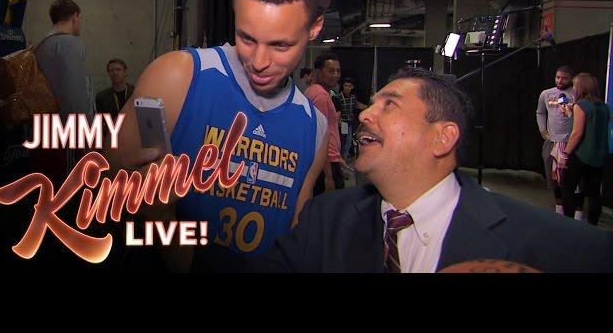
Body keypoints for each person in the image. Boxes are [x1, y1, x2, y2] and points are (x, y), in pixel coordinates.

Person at [250, 68, 613, 273]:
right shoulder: (324, 219)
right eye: (371, 103)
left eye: (389, 104)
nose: (364, 115)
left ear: (442, 138)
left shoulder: (563, 249)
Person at [111, 0, 331, 262]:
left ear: (314, 28)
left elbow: (296, 237)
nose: (258, 61)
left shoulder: (315, 127)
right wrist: (158, 217)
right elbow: (104, 191)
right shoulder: (176, 78)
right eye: (247, 37)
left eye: (280, 45)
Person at [558, 73, 610, 226]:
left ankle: (568, 225)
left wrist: (565, 154)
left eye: (575, 85)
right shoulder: (604, 107)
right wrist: (570, 115)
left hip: (580, 155)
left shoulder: (580, 105)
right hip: (599, 157)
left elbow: (577, 133)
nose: (573, 88)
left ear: (581, 87)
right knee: (594, 193)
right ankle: (593, 225)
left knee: (568, 188)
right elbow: (592, 127)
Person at [536, 66, 580, 217]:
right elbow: (540, 112)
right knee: (553, 179)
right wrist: (542, 129)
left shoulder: (577, 94)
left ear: (571, 79)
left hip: (570, 143)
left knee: (572, 182)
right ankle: (558, 212)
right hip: (551, 142)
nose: (560, 81)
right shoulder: (546, 94)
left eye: (564, 78)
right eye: (557, 77)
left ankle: (577, 215)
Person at [305, 53, 344, 195]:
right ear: (318, 72)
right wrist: (328, 175)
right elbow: (319, 137)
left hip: (329, 160)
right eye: (331, 70)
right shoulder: (320, 96)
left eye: (338, 71)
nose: (336, 74)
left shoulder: (314, 92)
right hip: (325, 165)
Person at [337, 77, 367, 159]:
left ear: (352, 87)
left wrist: (369, 107)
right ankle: (342, 158)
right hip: (342, 122)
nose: (347, 88)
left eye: (349, 86)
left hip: (349, 122)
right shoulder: (338, 97)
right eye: (345, 85)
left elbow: (358, 105)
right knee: (343, 141)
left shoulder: (352, 97)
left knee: (348, 141)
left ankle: (344, 157)